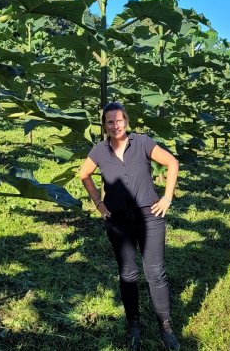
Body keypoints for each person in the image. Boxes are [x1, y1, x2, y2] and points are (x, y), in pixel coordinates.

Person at [79, 102, 180, 351]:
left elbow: (172, 163)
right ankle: (133, 323)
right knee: (128, 274)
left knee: (155, 273)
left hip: (149, 216)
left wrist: (167, 197)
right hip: (118, 221)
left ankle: (165, 326)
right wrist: (98, 203)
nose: (116, 125)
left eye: (119, 120)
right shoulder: (99, 151)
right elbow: (84, 175)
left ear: (127, 121)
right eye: (110, 122)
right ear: (104, 125)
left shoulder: (143, 142)